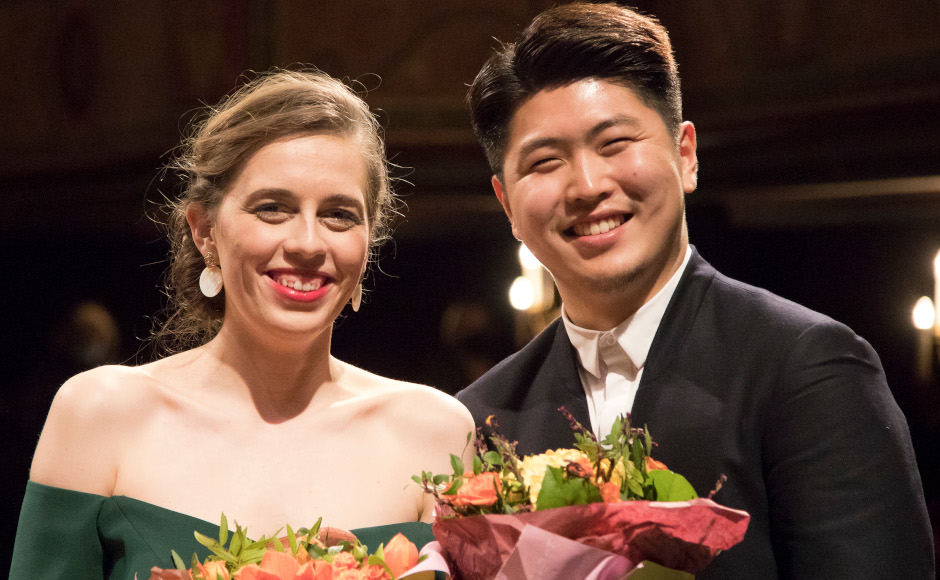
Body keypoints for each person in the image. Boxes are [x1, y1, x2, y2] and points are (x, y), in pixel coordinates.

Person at [456, 3, 935, 577]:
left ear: (685, 155)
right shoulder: (482, 418)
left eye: (613, 144)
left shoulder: (807, 369)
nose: (586, 185)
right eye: (545, 161)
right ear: (506, 204)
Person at [11, 69, 474, 579]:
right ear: (205, 231)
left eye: (339, 214)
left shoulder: (436, 433)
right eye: (272, 208)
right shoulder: (101, 415)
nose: (307, 243)